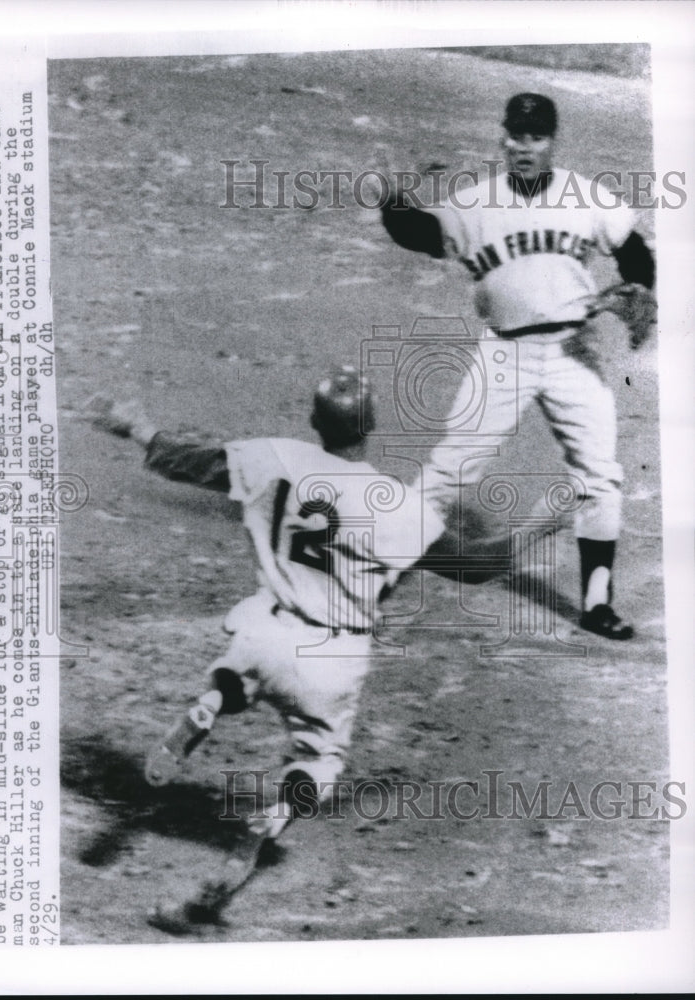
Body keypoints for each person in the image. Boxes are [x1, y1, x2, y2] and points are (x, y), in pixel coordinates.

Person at [93, 366, 443, 930]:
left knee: (249, 627)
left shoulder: (274, 457)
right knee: (314, 762)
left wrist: (137, 428)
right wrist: (548, 523)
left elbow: (188, 461)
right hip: (333, 661)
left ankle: (219, 696)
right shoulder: (401, 506)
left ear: (314, 421)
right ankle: (266, 826)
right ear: (372, 425)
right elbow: (480, 563)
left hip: (267, 634)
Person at [380, 92, 656, 640]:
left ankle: (597, 602)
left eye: (535, 137)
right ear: (502, 137)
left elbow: (633, 251)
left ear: (551, 141)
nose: (523, 146)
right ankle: (377, 570)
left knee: (600, 476)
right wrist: (394, 201)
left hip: (572, 352)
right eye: (515, 135)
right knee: (449, 470)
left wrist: (641, 287)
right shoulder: (473, 203)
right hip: (503, 353)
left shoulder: (586, 198)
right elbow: (418, 234)